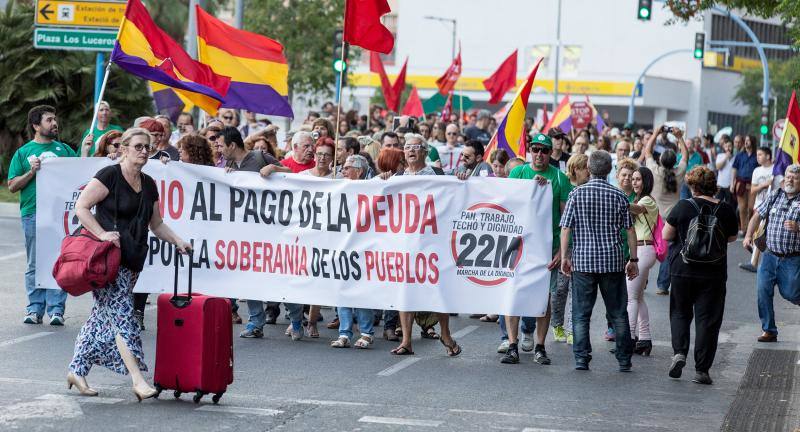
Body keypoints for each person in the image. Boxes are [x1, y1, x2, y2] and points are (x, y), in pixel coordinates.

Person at [68, 127, 192, 400]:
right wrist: (102, 234)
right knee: (124, 315)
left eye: (147, 147)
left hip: (133, 260)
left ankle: (76, 370)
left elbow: (156, 224)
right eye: (138, 146)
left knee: (101, 316)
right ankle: (137, 380)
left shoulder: (148, 183)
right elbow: (82, 207)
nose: (144, 151)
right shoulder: (109, 175)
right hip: (107, 261)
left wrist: (178, 241)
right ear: (123, 149)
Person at [379, 134, 461, 357]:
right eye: (407, 147)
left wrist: (462, 178)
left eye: (415, 147)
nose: (410, 151)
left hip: (433, 245)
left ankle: (445, 333)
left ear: (425, 151)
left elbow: (458, 193)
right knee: (405, 291)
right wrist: (382, 181)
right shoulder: (396, 177)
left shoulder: (438, 175)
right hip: (405, 245)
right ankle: (406, 340)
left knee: (437, 291)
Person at [560, 150, 638, 372]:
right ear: (609, 171)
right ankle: (624, 359)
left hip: (583, 262)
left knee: (581, 314)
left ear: (590, 169)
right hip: (612, 261)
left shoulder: (576, 194)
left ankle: (582, 358)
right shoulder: (620, 196)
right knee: (618, 313)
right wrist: (633, 259)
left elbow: (566, 228)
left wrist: (565, 256)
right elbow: (630, 230)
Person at [663, 166, 738, 385]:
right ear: (713, 186)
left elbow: (667, 234)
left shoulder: (683, 207)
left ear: (693, 186)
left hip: (682, 269)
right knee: (708, 320)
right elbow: (732, 238)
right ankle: (702, 370)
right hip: (713, 273)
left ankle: (679, 353)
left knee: (679, 312)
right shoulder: (725, 209)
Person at [502, 134, 573, 366]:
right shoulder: (518, 173)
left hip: (547, 247)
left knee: (545, 299)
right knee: (513, 295)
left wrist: (562, 251)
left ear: (551, 152)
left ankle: (541, 347)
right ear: (530, 150)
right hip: (518, 245)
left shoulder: (560, 179)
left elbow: (566, 218)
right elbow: (504, 204)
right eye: (535, 149)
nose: (539, 154)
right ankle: (512, 345)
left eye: (544, 150)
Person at [8, 105, 78, 325]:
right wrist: (31, 172)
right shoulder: (23, 152)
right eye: (49, 120)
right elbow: (12, 186)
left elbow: (80, 173)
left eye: (55, 119)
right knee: (35, 263)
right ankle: (34, 309)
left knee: (59, 260)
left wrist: (85, 151)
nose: (54, 123)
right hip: (33, 213)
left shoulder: (64, 149)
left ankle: (56, 309)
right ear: (36, 125)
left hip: (59, 214)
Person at [743, 164, 800, 343]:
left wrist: (798, 227)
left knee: (791, 293)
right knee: (763, 291)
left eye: (795, 177)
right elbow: (757, 216)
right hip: (768, 255)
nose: (790, 179)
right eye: (788, 176)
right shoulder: (775, 195)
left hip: (791, 259)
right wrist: (748, 235)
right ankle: (769, 329)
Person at [330, 154, 376, 349]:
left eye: (347, 168)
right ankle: (344, 333)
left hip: (363, 246)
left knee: (361, 289)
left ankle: (366, 333)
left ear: (358, 171)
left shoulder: (372, 187)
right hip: (342, 245)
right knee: (342, 288)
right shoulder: (339, 186)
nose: (343, 171)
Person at [643, 125, 688, 296]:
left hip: (653, 217)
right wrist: (679, 137)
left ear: (660, 160)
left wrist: (655, 133)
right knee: (667, 252)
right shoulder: (679, 173)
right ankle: (662, 285)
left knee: (647, 248)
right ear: (673, 161)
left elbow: (647, 152)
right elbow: (685, 155)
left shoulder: (654, 171)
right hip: (672, 218)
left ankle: (643, 279)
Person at [555, 154, 591, 345]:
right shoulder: (564, 184)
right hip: (565, 244)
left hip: (583, 244)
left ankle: (571, 329)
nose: (589, 171)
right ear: (575, 168)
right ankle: (557, 324)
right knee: (560, 289)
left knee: (576, 290)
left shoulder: (591, 187)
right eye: (585, 167)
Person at [627, 166, 659, 356]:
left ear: (646, 181)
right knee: (638, 297)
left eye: (638, 179)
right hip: (640, 249)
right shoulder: (638, 199)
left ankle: (629, 339)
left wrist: (619, 199)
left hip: (643, 250)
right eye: (633, 179)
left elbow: (637, 209)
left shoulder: (647, 200)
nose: (634, 182)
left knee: (631, 297)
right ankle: (644, 340)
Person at [740, 146, 778, 273]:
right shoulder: (757, 171)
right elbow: (753, 190)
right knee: (758, 232)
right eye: (757, 155)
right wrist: (764, 184)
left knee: (767, 234)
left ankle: (757, 262)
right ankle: (754, 262)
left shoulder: (776, 169)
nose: (758, 157)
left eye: (760, 154)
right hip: (760, 204)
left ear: (768, 156)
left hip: (773, 205)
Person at [731, 135, 759, 235]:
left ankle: (750, 228)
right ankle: (744, 229)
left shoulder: (757, 155)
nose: (746, 142)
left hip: (753, 184)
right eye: (745, 140)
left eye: (748, 140)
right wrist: (732, 183)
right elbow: (734, 169)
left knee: (751, 207)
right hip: (741, 183)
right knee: (742, 208)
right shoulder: (739, 155)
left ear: (753, 142)